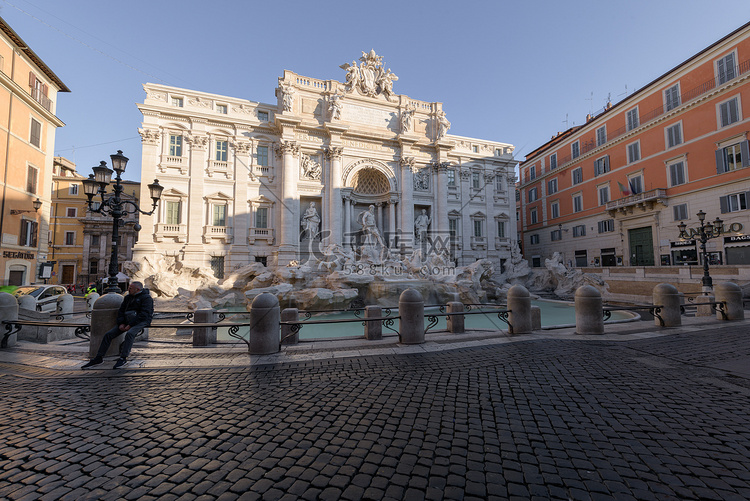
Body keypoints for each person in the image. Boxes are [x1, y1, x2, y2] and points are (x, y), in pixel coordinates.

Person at [81, 281, 154, 370]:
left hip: (141, 321)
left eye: (130, 288)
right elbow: (121, 311)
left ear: (137, 289)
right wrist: (121, 323)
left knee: (130, 334)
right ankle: (99, 358)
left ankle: (123, 358)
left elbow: (144, 314)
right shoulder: (127, 298)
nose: (128, 289)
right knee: (108, 335)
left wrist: (130, 325)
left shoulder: (147, 298)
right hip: (127, 321)